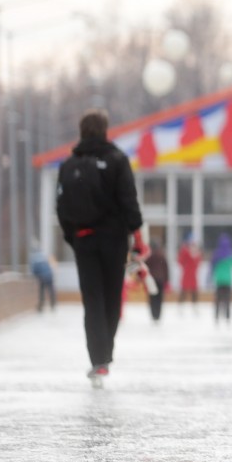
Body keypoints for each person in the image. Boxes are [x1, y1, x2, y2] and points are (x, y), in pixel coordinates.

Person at [56, 109, 143, 387]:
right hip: (114, 240)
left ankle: (98, 361)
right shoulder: (117, 160)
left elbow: (61, 209)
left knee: (92, 301)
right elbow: (129, 200)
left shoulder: (69, 165)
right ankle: (106, 355)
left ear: (81, 131)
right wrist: (136, 236)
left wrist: (75, 238)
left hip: (85, 240)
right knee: (112, 298)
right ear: (105, 130)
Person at [209, 234, 232, 325]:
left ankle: (217, 318)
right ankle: (227, 318)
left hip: (219, 281)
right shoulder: (231, 254)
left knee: (218, 301)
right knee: (227, 301)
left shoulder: (216, 254)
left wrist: (209, 278)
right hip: (227, 281)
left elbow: (212, 268)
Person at [144, 240, 170, 323]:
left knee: (153, 298)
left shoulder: (149, 256)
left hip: (152, 279)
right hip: (160, 280)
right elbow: (166, 269)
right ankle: (158, 315)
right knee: (159, 298)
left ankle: (154, 314)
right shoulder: (162, 255)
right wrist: (166, 280)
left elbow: (146, 268)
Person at [29, 241, 56, 313]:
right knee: (51, 290)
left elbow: (33, 270)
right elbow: (49, 264)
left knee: (42, 291)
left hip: (42, 276)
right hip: (49, 275)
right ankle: (53, 304)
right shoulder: (43, 255)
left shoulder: (33, 257)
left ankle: (41, 306)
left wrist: (33, 276)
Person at [177, 233, 202, 311]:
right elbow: (180, 261)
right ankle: (180, 307)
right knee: (184, 291)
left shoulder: (197, 252)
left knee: (194, 291)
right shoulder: (185, 251)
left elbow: (198, 262)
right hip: (187, 273)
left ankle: (195, 307)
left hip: (192, 274)